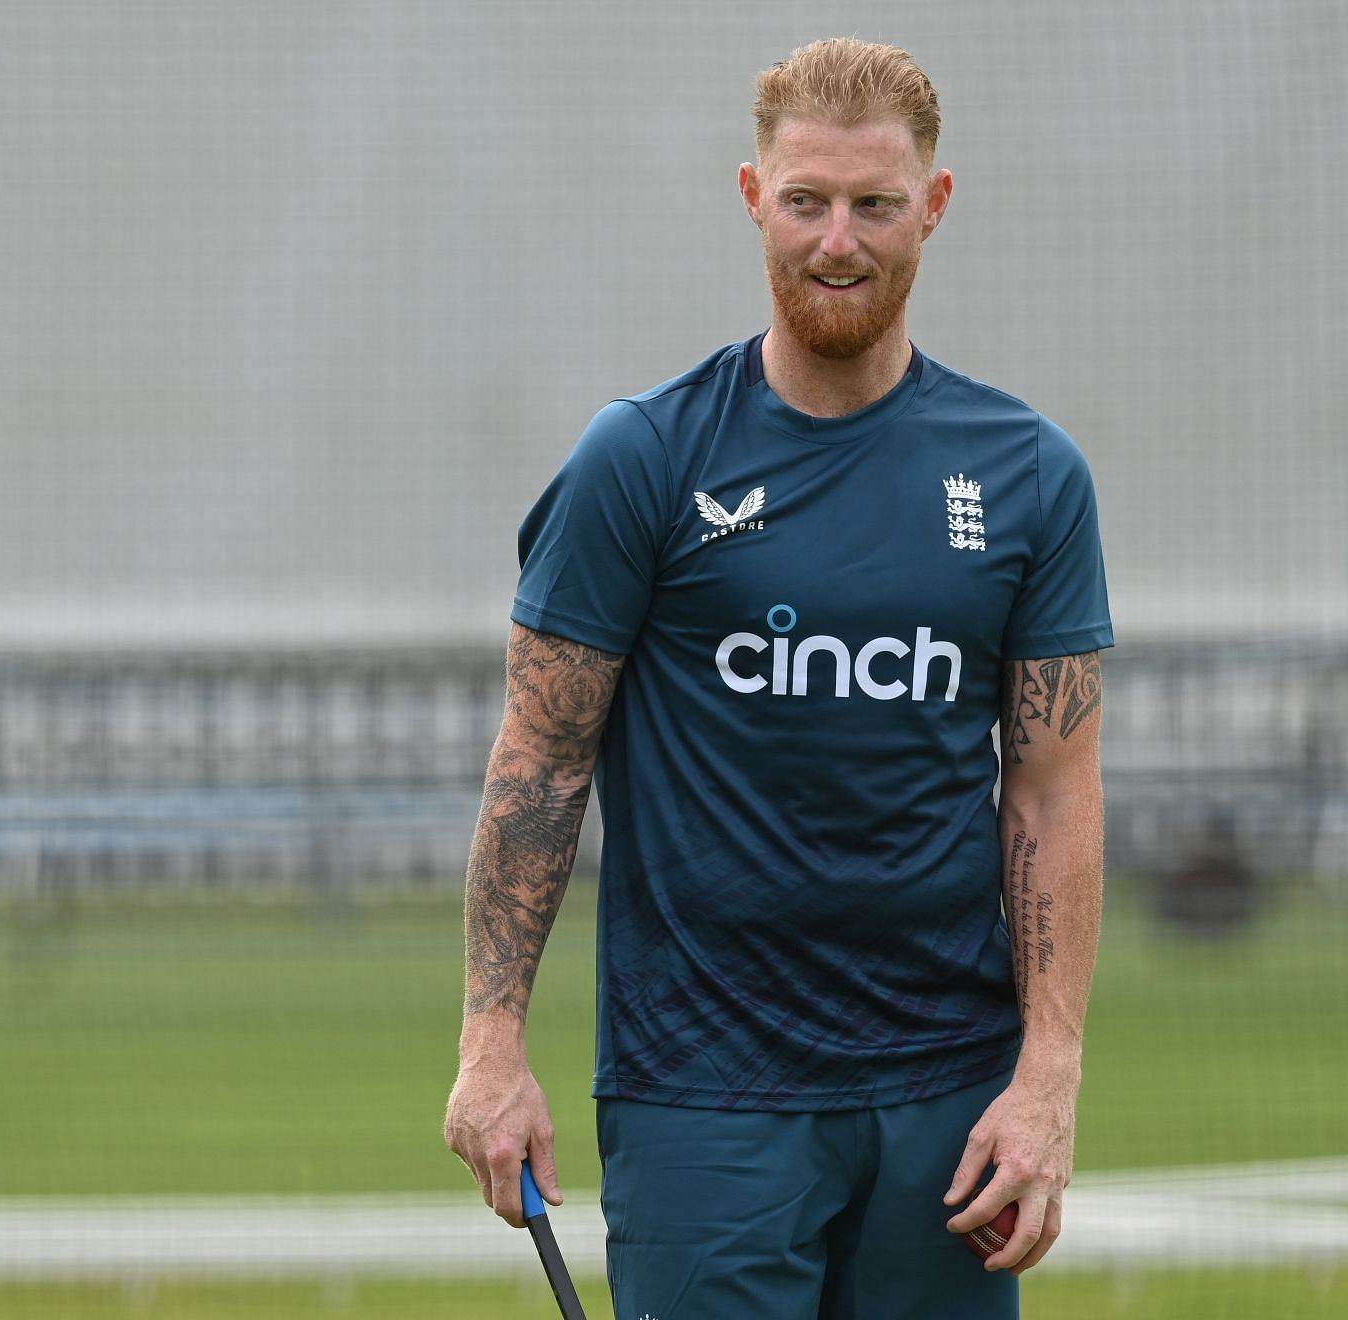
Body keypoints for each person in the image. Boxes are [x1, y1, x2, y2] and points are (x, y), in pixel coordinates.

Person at [444, 38, 1112, 1318]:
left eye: (874, 203)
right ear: (753, 197)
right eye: (806, 200)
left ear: (936, 204)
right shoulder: (639, 459)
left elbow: (1051, 793)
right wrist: (490, 1049)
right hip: (702, 1095)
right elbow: (538, 761)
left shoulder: (1030, 473)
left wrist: (1047, 1079)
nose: (838, 241)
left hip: (950, 1107)